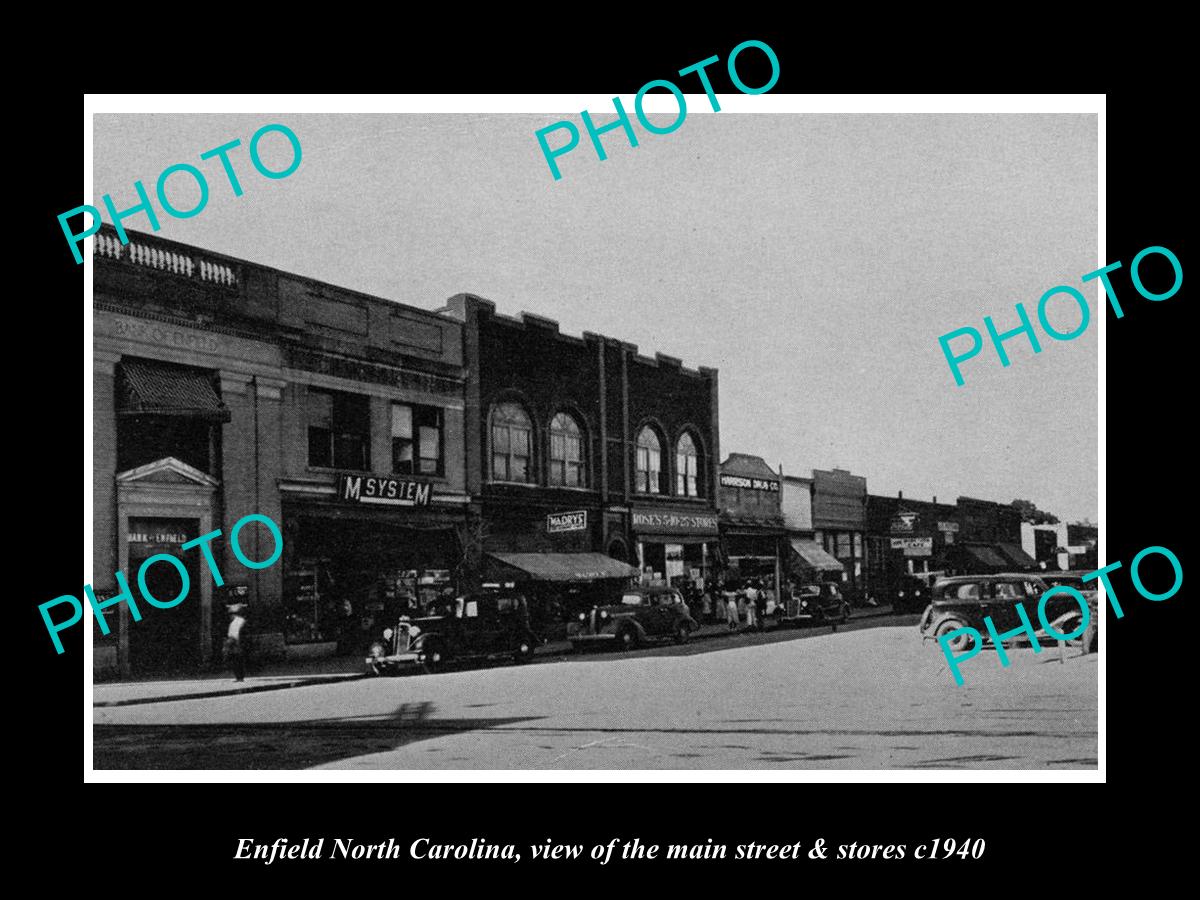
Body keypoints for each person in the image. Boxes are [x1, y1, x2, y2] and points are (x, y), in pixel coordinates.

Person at [224, 603, 248, 682]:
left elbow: (234, 634)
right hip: (237, 643)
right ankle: (239, 677)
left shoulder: (237, 622)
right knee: (237, 660)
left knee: (237, 660)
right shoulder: (238, 621)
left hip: (236, 643)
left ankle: (239, 677)